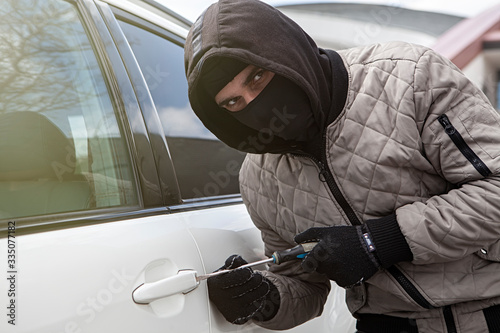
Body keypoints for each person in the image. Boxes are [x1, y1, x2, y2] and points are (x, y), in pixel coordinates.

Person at [184, 0, 500, 332]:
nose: (255, 105)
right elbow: (306, 288)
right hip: (388, 324)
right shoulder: (258, 178)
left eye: (258, 77)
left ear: (285, 52)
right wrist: (267, 299)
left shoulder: (410, 78)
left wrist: (379, 241)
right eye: (234, 102)